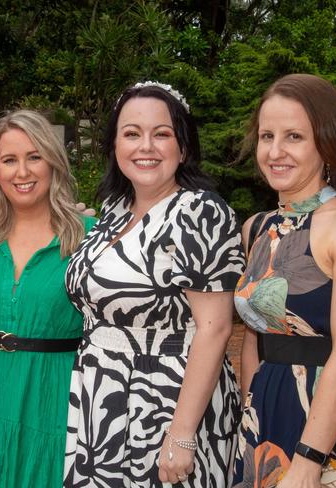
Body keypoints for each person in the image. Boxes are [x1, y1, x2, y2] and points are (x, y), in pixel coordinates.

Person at [63, 81, 246, 487]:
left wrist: (181, 436)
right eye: (131, 133)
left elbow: (215, 329)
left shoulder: (201, 213)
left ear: (183, 147)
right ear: (114, 145)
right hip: (101, 396)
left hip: (166, 400)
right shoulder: (113, 210)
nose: (145, 146)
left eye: (161, 134)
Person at [233, 74, 336, 487]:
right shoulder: (256, 228)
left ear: (326, 143)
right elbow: (254, 338)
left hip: (334, 428)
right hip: (266, 420)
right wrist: (250, 416)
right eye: (266, 136)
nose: (275, 151)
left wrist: (309, 461)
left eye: (293, 136)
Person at [0, 109, 96, 488]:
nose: (22, 172)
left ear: (53, 163)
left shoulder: (90, 237)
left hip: (54, 398)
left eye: (34, 157)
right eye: (10, 160)